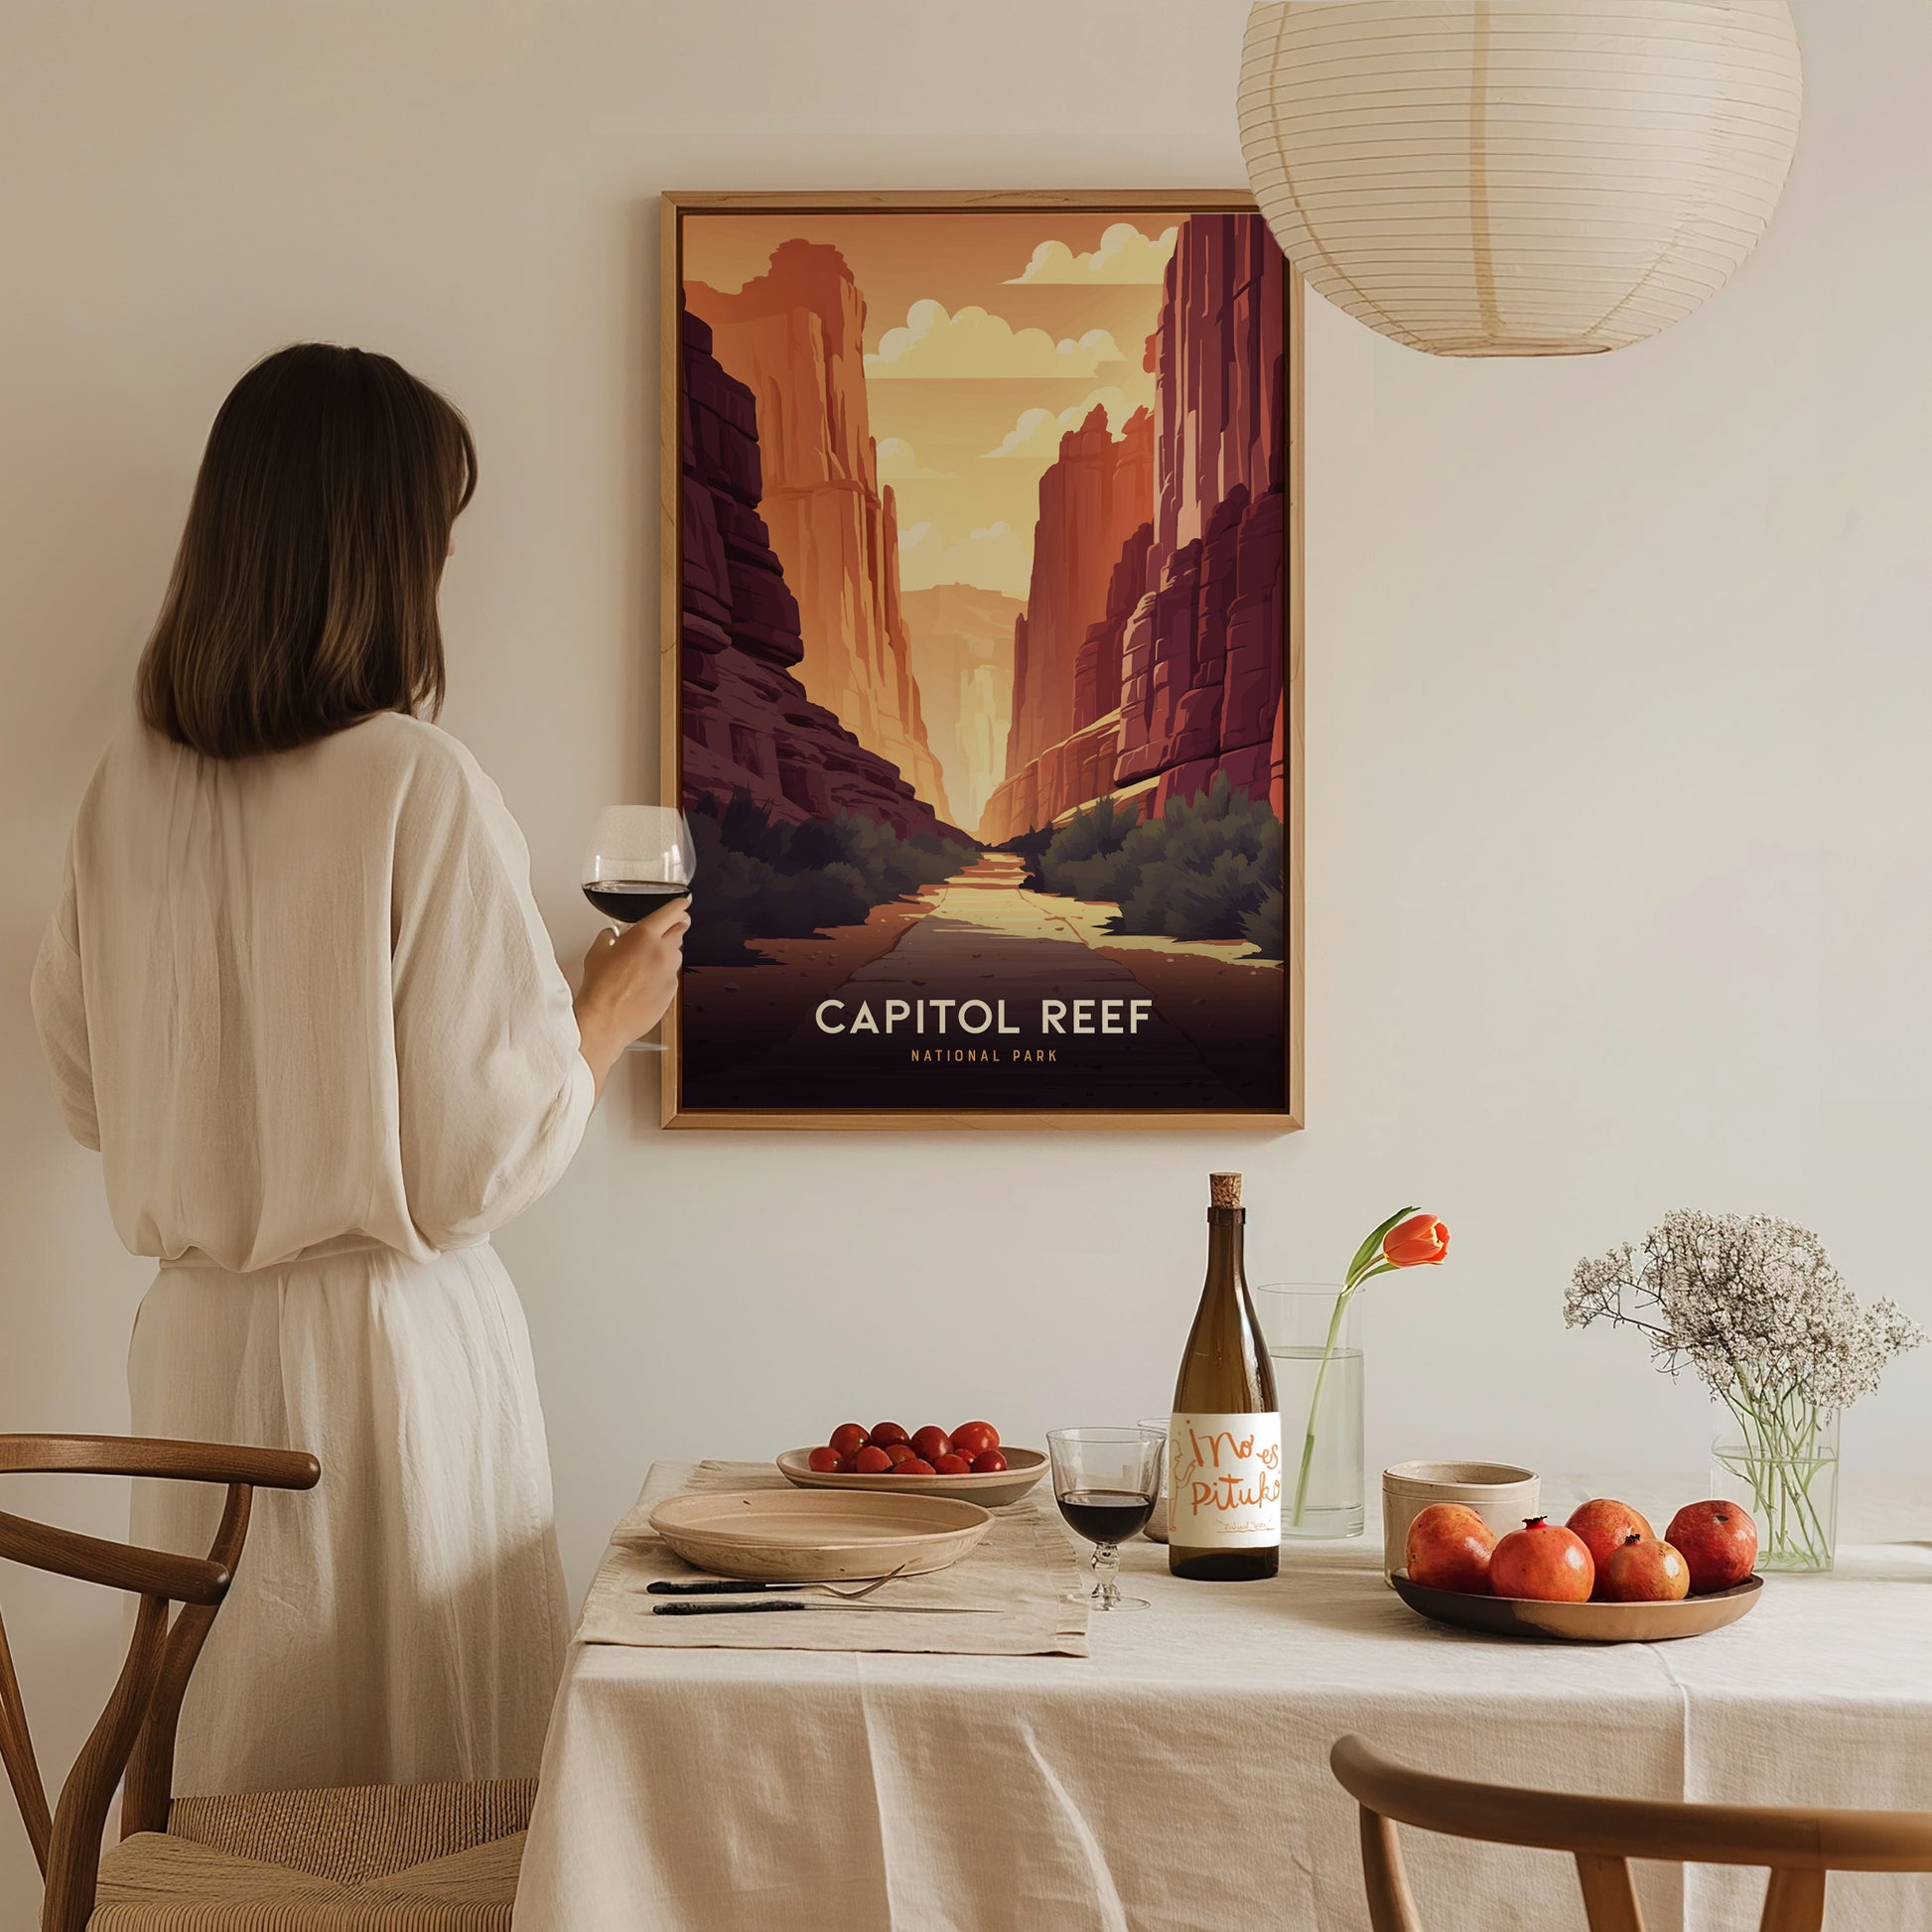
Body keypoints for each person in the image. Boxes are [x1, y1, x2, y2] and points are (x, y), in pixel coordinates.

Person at [29, 343, 683, 1793]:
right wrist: (601, 1016)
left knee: (235, 1771)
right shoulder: (415, 780)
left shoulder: (124, 792)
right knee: (424, 1795)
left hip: (196, 1353)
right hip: (387, 1361)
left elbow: (87, 1092)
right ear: (385, 551)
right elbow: (469, 1166)